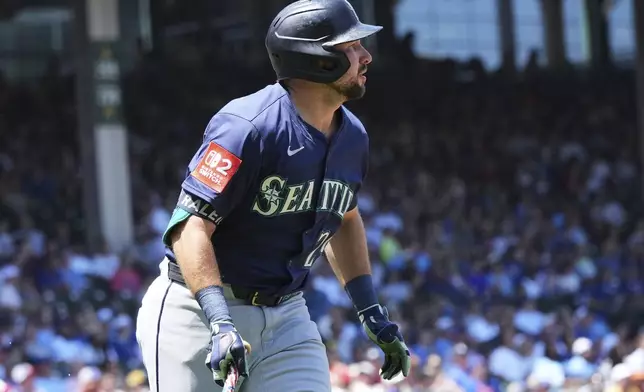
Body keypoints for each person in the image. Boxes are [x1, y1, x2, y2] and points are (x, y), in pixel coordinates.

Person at [135, 1, 411, 391]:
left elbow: (344, 219)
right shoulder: (246, 128)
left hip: (288, 316)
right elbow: (190, 228)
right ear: (317, 59)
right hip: (196, 311)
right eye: (351, 47)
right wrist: (219, 320)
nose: (365, 56)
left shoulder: (353, 137)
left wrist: (371, 312)